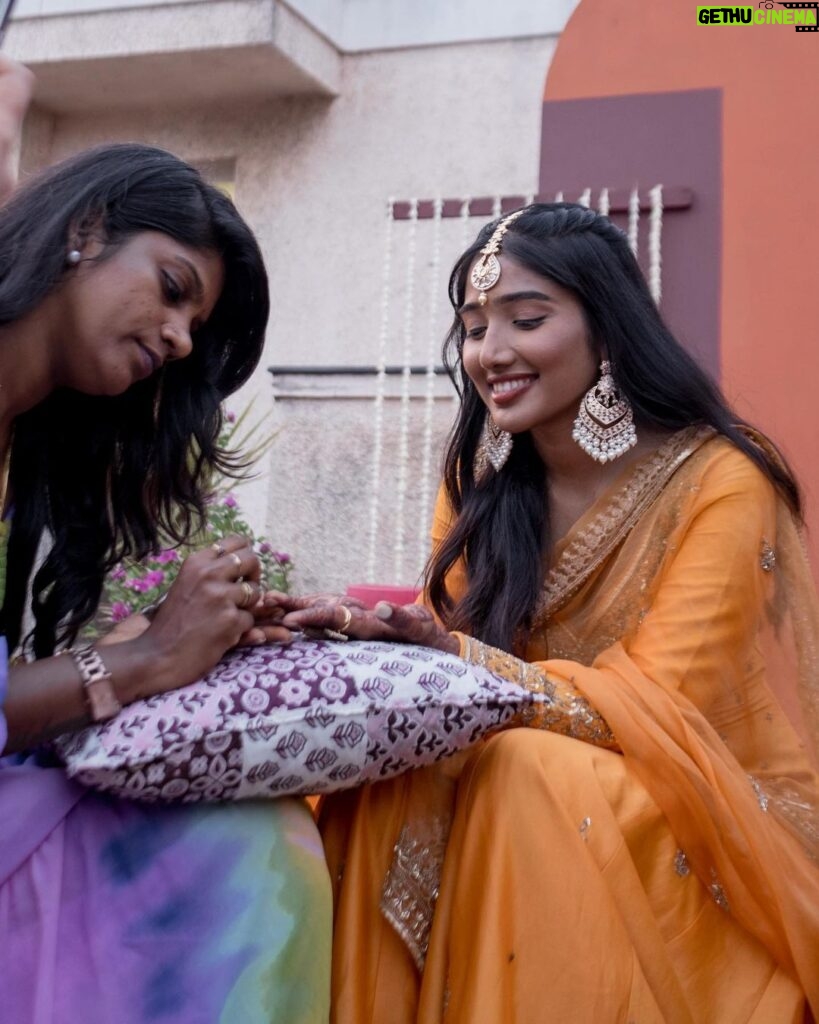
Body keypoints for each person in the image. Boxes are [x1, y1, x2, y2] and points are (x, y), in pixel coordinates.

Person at [278, 203, 819, 1022]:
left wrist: (458, 660)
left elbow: (658, 706)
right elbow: (443, 657)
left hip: (696, 795)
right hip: (520, 758)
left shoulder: (720, 482)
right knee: (388, 768)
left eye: (525, 320)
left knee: (523, 769)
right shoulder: (483, 487)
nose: (489, 354)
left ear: (606, 331)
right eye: (471, 327)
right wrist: (366, 638)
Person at [0, 141, 331, 1022]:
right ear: (86, 229)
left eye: (194, 327)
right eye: (174, 288)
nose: (181, 337)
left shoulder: (27, 448)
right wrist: (144, 659)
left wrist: (192, 640)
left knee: (265, 832)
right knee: (247, 866)